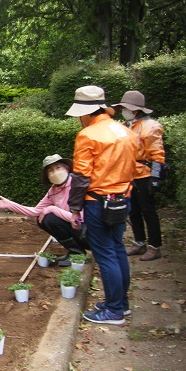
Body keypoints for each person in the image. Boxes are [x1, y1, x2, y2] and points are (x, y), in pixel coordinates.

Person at [66, 85, 138, 325]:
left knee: (105, 254)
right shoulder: (126, 132)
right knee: (117, 250)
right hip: (122, 199)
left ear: (87, 113)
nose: (79, 119)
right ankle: (121, 305)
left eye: (79, 115)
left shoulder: (89, 135)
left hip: (98, 202)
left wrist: (75, 209)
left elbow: (82, 177)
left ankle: (114, 311)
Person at [0, 154, 89, 265]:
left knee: (50, 217)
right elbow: (35, 211)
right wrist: (9, 204)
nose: (55, 172)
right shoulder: (53, 190)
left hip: (89, 233)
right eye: (51, 171)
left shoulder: (77, 185)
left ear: (66, 168)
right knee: (44, 220)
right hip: (77, 231)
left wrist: (52, 208)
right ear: (48, 176)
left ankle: (80, 252)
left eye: (58, 168)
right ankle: (76, 253)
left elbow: (79, 219)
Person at [112, 90, 166, 261]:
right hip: (128, 173)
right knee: (133, 211)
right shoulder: (127, 125)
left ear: (135, 110)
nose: (123, 111)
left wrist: (156, 178)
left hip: (144, 174)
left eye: (126, 108)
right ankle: (139, 242)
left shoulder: (150, 127)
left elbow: (157, 154)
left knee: (148, 211)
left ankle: (154, 246)